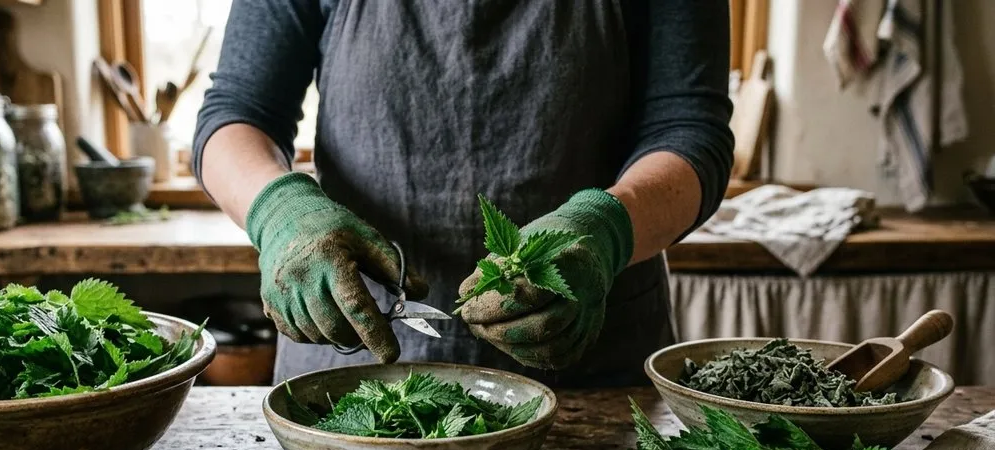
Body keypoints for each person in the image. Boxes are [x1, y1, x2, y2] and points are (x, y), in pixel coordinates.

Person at [195, 0, 733, 387]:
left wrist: (608, 228)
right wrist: (279, 209)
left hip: (588, 368)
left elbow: (689, 130)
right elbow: (238, 113)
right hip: (355, 363)